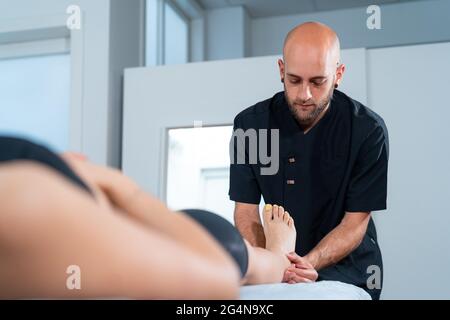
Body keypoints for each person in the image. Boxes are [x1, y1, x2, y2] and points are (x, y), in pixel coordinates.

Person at [0, 136, 300, 299]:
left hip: (158, 229)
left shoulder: (25, 196)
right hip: (164, 235)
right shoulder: (25, 204)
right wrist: (123, 186)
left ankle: (277, 253)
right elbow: (216, 281)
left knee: (251, 258)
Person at [229, 21, 389, 300]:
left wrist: (308, 264)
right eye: (294, 80)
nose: (304, 95)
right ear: (281, 71)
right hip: (277, 265)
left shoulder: (367, 131)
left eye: (317, 82)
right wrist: (270, 264)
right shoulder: (251, 126)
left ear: (338, 74)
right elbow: (245, 212)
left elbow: (355, 223)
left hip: (346, 271)